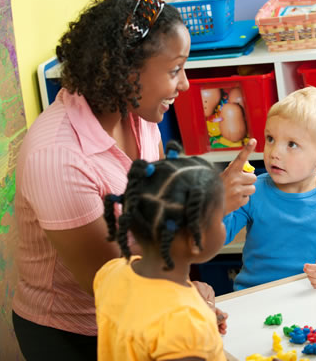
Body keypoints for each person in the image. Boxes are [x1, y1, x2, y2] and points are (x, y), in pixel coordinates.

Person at [12, 0, 256, 360]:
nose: (186, 84)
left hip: (143, 312)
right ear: (125, 72)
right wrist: (209, 207)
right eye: (175, 69)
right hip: (76, 334)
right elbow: (113, 279)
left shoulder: (139, 115)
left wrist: (188, 290)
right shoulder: (57, 157)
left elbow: (157, 215)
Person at [95, 142, 227, 360]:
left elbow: (150, 322)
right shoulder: (184, 325)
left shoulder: (112, 271)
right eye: (220, 217)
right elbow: (171, 326)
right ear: (195, 239)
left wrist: (200, 320)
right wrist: (195, 331)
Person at [224, 87, 316, 290]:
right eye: (270, 139)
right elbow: (218, 236)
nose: (274, 152)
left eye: (292, 144)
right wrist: (222, 198)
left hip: (312, 293)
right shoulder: (253, 189)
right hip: (256, 294)